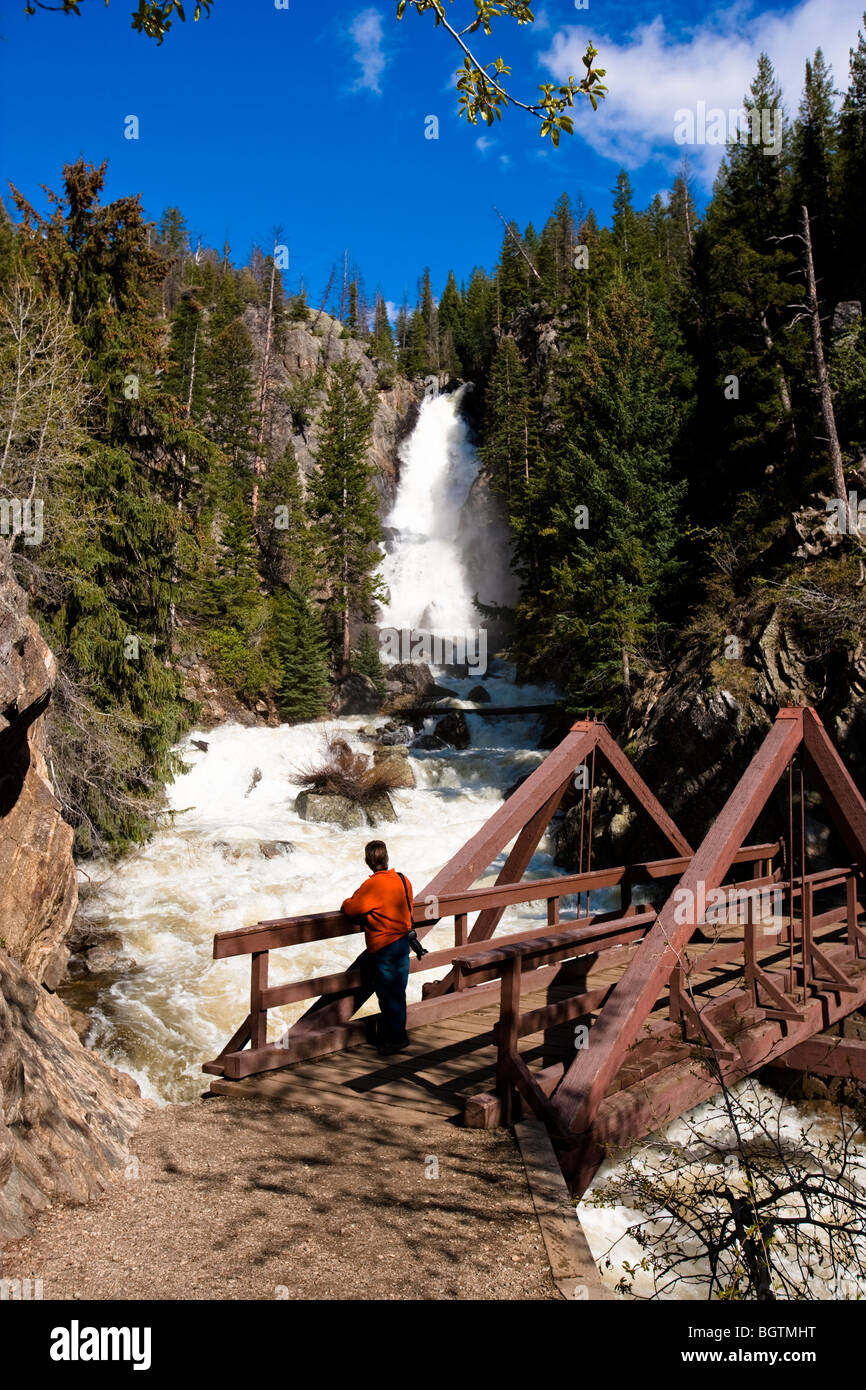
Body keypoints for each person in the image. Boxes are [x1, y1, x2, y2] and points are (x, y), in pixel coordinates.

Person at [341, 840, 413, 1055]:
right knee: (398, 991)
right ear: (387, 857)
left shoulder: (372, 885)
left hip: (384, 945)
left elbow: (352, 909)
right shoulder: (402, 879)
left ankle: (396, 1039)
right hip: (403, 943)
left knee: (387, 992)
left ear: (368, 861)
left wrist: (346, 902)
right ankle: (398, 1033)